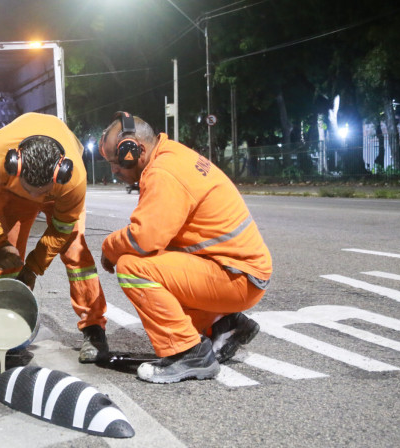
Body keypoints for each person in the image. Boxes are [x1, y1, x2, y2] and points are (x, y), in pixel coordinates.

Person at [98, 112, 272, 384]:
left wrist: (109, 248)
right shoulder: (170, 155)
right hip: (236, 270)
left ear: (134, 150)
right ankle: (224, 324)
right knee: (157, 264)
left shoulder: (163, 172)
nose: (114, 170)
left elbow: (144, 238)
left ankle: (188, 352)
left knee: (132, 267)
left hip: (236, 276)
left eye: (115, 162)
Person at [0, 112, 109, 363]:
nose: (36, 198)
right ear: (14, 165)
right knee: (3, 261)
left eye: (41, 193)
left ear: (60, 174)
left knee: (77, 254)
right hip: (11, 194)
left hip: (58, 197)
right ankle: (3, 333)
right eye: (30, 190)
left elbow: (62, 229)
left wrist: (33, 268)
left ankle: (94, 330)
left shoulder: (73, 181)